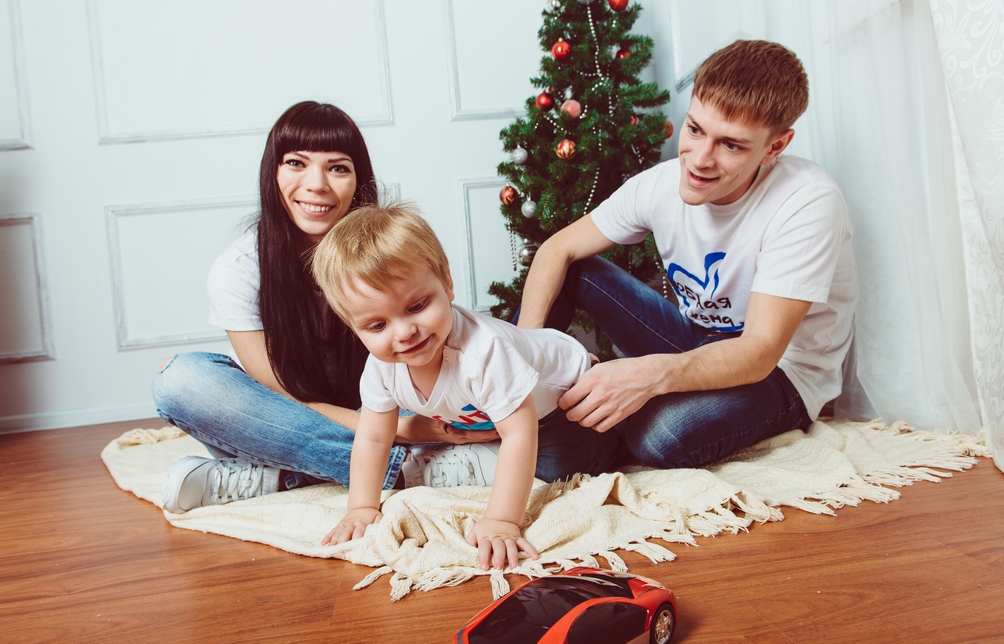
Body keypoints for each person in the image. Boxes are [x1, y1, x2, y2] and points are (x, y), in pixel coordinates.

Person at [517, 39, 858, 469]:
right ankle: (517, 415)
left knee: (662, 435)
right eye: (695, 129)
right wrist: (520, 362)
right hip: (694, 338)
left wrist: (647, 375)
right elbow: (558, 248)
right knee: (574, 269)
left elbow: (760, 350)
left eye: (731, 145)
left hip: (782, 373)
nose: (699, 160)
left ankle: (569, 438)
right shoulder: (660, 184)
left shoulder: (807, 201)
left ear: (775, 146)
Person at [152, 102, 497, 514]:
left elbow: (430, 350)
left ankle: (277, 478)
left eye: (337, 168)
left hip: (385, 403)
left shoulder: (389, 247)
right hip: (296, 420)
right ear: (273, 172)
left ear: (358, 181)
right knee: (180, 381)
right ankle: (408, 470)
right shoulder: (239, 268)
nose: (316, 185)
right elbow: (283, 399)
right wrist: (404, 431)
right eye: (296, 163)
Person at [311, 204, 623, 570]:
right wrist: (361, 507)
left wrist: (502, 520)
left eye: (417, 306)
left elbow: (520, 434)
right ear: (353, 326)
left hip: (569, 400)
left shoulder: (483, 352)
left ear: (447, 283)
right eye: (377, 326)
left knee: (558, 466)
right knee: (503, 445)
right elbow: (373, 437)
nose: (404, 332)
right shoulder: (381, 366)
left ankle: (622, 431)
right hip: (497, 410)